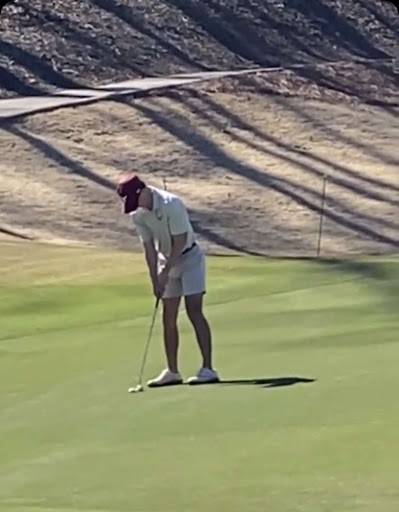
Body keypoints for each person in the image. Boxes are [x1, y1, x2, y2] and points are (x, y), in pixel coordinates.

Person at [117, 173, 220, 387]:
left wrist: (165, 273)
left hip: (190, 257)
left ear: (143, 191)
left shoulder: (171, 204)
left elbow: (180, 241)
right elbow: (149, 248)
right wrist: (155, 279)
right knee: (168, 315)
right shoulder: (138, 215)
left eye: (136, 202)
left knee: (194, 310)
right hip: (167, 259)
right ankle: (173, 372)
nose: (137, 207)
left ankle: (208, 369)